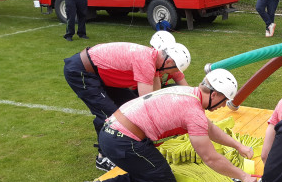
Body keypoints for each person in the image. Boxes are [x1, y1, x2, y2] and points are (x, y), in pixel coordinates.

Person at [76, 69, 257, 182]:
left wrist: (238, 146)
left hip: (112, 132)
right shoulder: (194, 112)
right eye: (224, 100)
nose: (223, 105)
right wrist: (244, 177)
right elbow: (210, 158)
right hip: (123, 141)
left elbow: (209, 128)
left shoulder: (189, 93)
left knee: (153, 171)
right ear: (215, 95)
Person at [63, 31, 190, 172]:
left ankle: (133, 145)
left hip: (100, 73)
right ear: (169, 62)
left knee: (128, 107)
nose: (168, 74)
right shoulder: (146, 61)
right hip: (82, 71)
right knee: (111, 116)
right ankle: (103, 157)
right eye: (172, 69)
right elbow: (145, 103)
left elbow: (154, 96)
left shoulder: (154, 59)